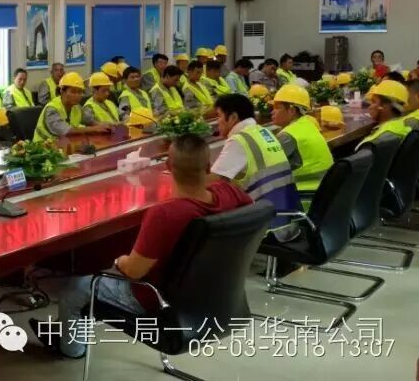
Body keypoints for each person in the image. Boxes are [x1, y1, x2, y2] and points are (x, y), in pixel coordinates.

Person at [29, 134, 252, 359]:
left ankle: (71, 349)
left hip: (156, 300)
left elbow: (133, 271)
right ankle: (64, 329)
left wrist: (119, 260)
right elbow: (253, 216)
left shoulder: (165, 214)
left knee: (76, 288)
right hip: (213, 295)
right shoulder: (230, 193)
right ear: (209, 166)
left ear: (168, 166)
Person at [211, 94, 300, 241]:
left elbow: (212, 182)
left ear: (233, 117)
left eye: (219, 116)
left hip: (268, 229)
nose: (217, 122)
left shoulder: (240, 140)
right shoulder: (263, 132)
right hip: (289, 220)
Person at [271, 86, 334, 201]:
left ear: (292, 111)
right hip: (325, 193)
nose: (272, 112)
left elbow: (266, 169)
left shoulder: (288, 136)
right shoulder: (309, 124)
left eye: (277, 108)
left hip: (305, 198)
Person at [34, 72, 111, 141]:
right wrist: (94, 129)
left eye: (80, 92)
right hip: (43, 146)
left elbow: (88, 120)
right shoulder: (52, 109)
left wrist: (100, 125)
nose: (77, 96)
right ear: (62, 91)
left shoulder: (76, 107)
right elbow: (66, 131)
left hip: (64, 143)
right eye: (73, 92)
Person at [357, 80, 411, 150]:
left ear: (385, 106)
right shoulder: (406, 128)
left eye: (374, 102)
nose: (370, 106)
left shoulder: (376, 140)